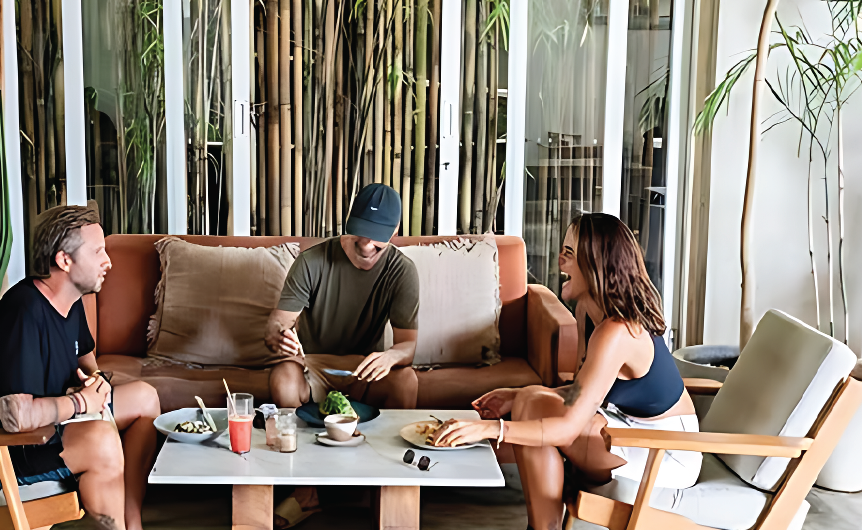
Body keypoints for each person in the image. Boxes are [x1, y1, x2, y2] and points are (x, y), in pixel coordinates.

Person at [432, 213, 701, 530]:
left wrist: (491, 430)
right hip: (624, 424)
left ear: (596, 264)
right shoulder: (589, 310)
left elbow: (567, 427)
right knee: (531, 399)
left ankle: (543, 527)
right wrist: (518, 394)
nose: (559, 259)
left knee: (533, 406)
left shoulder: (617, 331)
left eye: (570, 253)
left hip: (666, 452)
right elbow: (579, 394)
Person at [0, 206, 161, 530]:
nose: (108, 261)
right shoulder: (23, 313)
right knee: (100, 440)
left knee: (145, 399)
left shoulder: (70, 300)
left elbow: (88, 363)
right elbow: (14, 417)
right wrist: (80, 403)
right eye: (98, 251)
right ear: (64, 260)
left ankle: (132, 521)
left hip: (48, 429)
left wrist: (97, 384)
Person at [263, 183, 420, 528]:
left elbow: (408, 345)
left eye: (376, 238)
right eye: (359, 233)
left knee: (407, 379)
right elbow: (278, 323)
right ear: (348, 223)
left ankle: (386, 480)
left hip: (366, 368)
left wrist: (391, 357)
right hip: (314, 365)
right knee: (282, 376)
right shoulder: (313, 260)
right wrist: (280, 335)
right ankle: (305, 487)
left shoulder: (402, 270)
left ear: (395, 232)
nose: (365, 245)